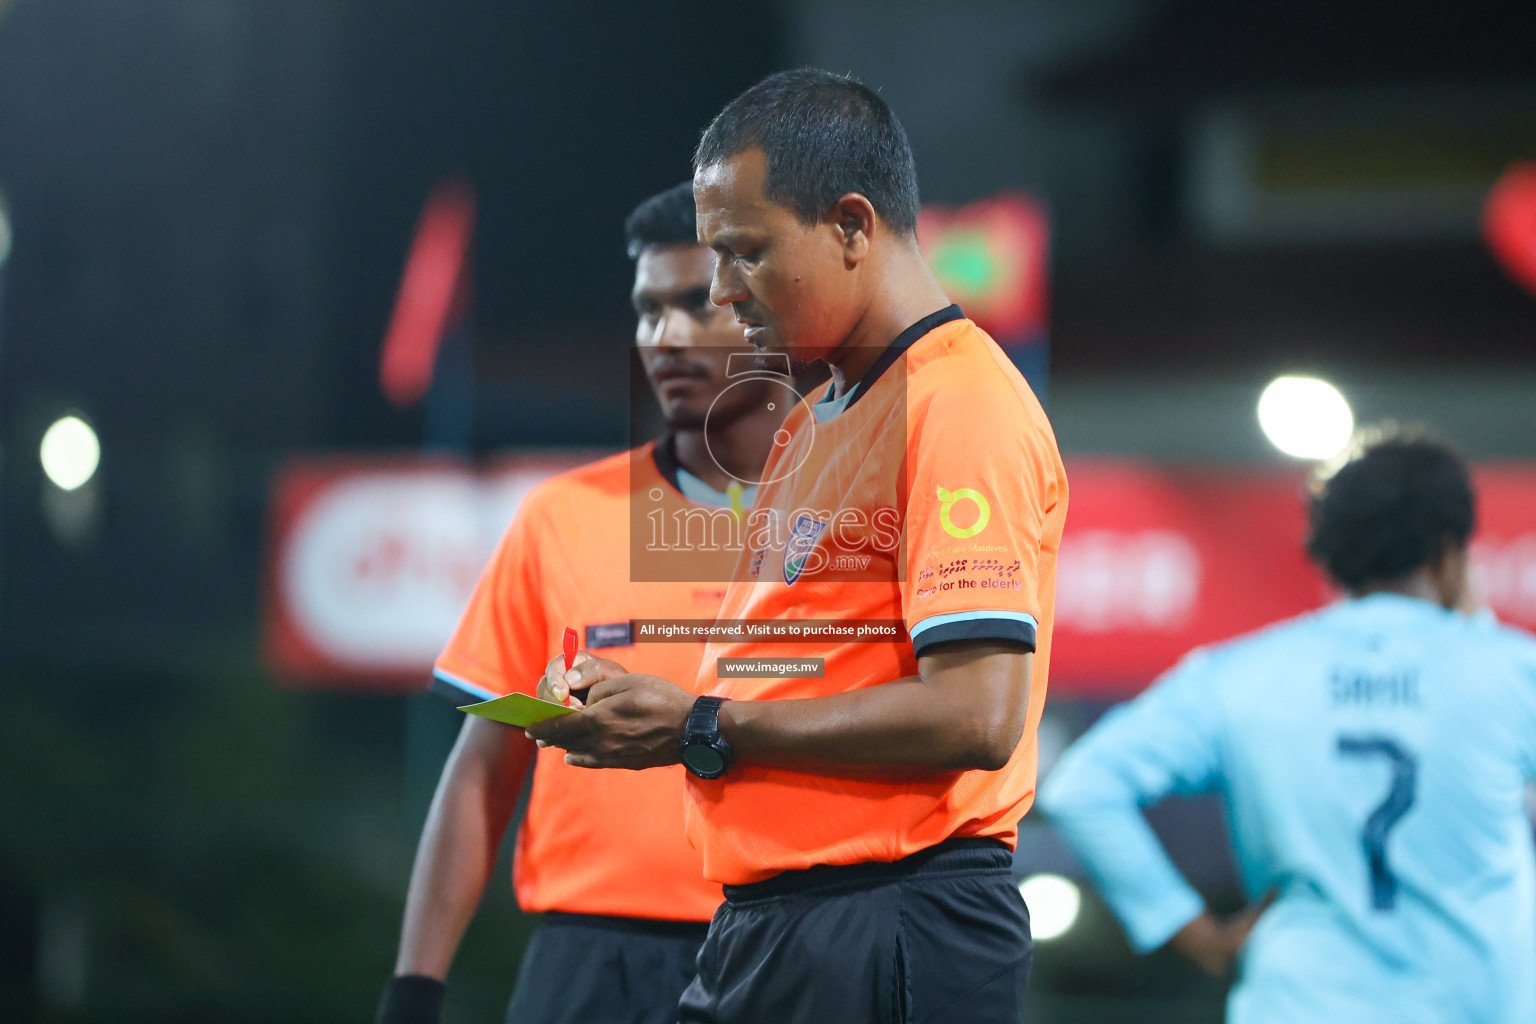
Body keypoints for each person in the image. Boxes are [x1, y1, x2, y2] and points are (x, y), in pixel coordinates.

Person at [528, 69, 1067, 1023]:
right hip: (771, 923)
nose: (724, 290)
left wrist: (702, 725)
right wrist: (651, 704)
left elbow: (979, 714)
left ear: (854, 226)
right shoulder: (811, 418)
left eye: (744, 252)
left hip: (889, 916)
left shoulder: (960, 402)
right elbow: (802, 661)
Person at [375, 182, 788, 1024]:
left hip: (780, 945)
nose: (663, 337)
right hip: (587, 963)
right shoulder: (562, 517)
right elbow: (482, 768)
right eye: (646, 311)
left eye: (692, 305)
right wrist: (414, 987)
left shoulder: (847, 524)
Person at [1040, 428, 1536, 1023]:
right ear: (1451, 553)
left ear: (1329, 555)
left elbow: (1083, 785)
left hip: (1298, 1002)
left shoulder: (1239, 675)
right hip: (1473, 1004)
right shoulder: (1511, 669)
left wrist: (1186, 925)